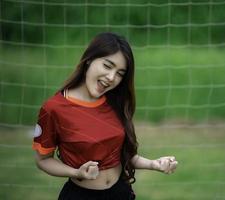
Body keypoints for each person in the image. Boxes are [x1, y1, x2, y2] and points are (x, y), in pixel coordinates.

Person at [32, 32, 178, 200]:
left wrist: (153, 164)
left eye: (120, 73)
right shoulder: (54, 108)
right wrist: (76, 172)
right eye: (108, 66)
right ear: (89, 60)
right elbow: (42, 160)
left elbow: (122, 156)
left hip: (120, 192)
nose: (111, 78)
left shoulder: (114, 102)